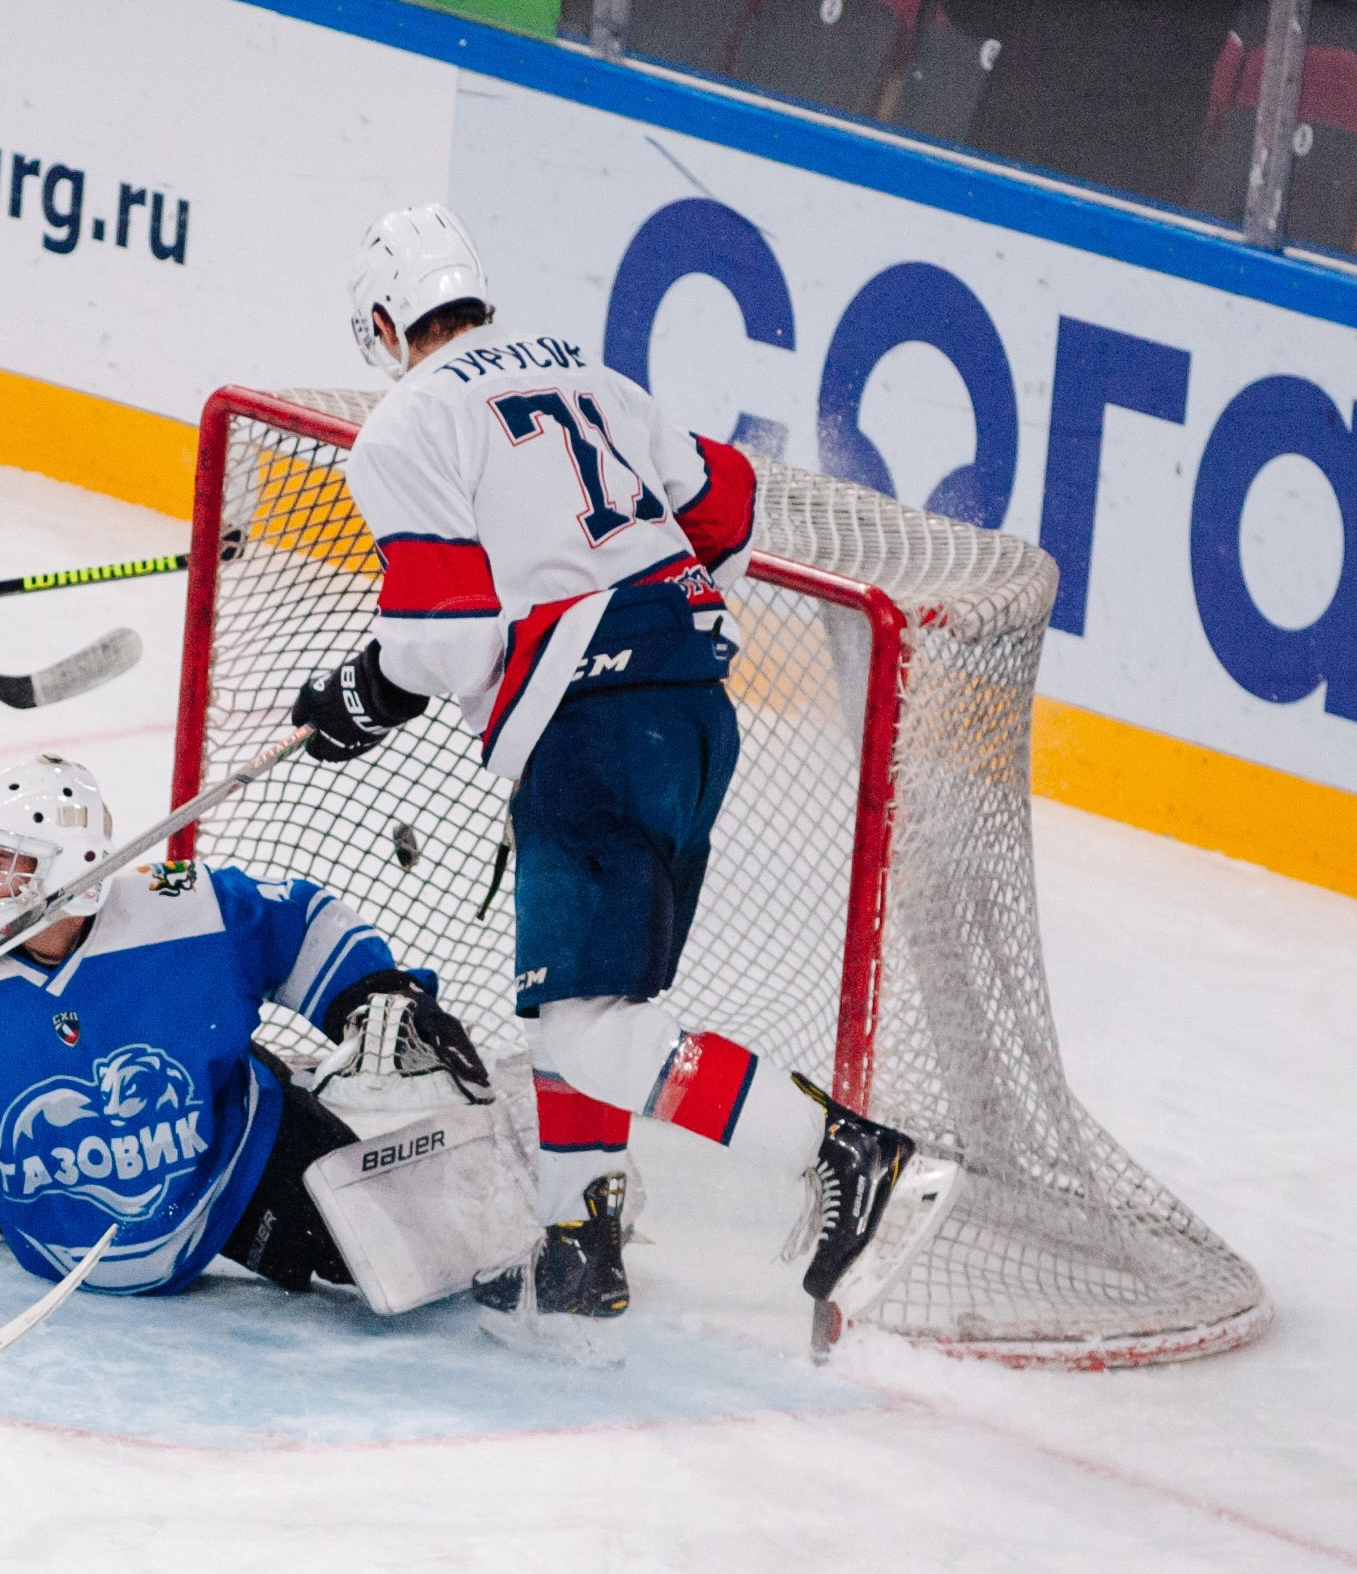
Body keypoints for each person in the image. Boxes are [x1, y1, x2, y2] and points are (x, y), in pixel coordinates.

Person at [286, 203, 920, 1345]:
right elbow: (724, 503)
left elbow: (448, 640)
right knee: (591, 1006)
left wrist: (357, 697)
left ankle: (842, 1156)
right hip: (689, 710)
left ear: (387, 323)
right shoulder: (593, 374)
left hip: (590, 727)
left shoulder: (405, 422)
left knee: (585, 1033)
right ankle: (582, 1246)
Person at [0, 756, 492, 1313]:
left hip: (231, 1163)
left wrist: (370, 996)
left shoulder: (184, 912)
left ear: (72, 879)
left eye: (3, 862)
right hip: (36, 1205)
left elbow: (297, 921)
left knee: (414, 1247)